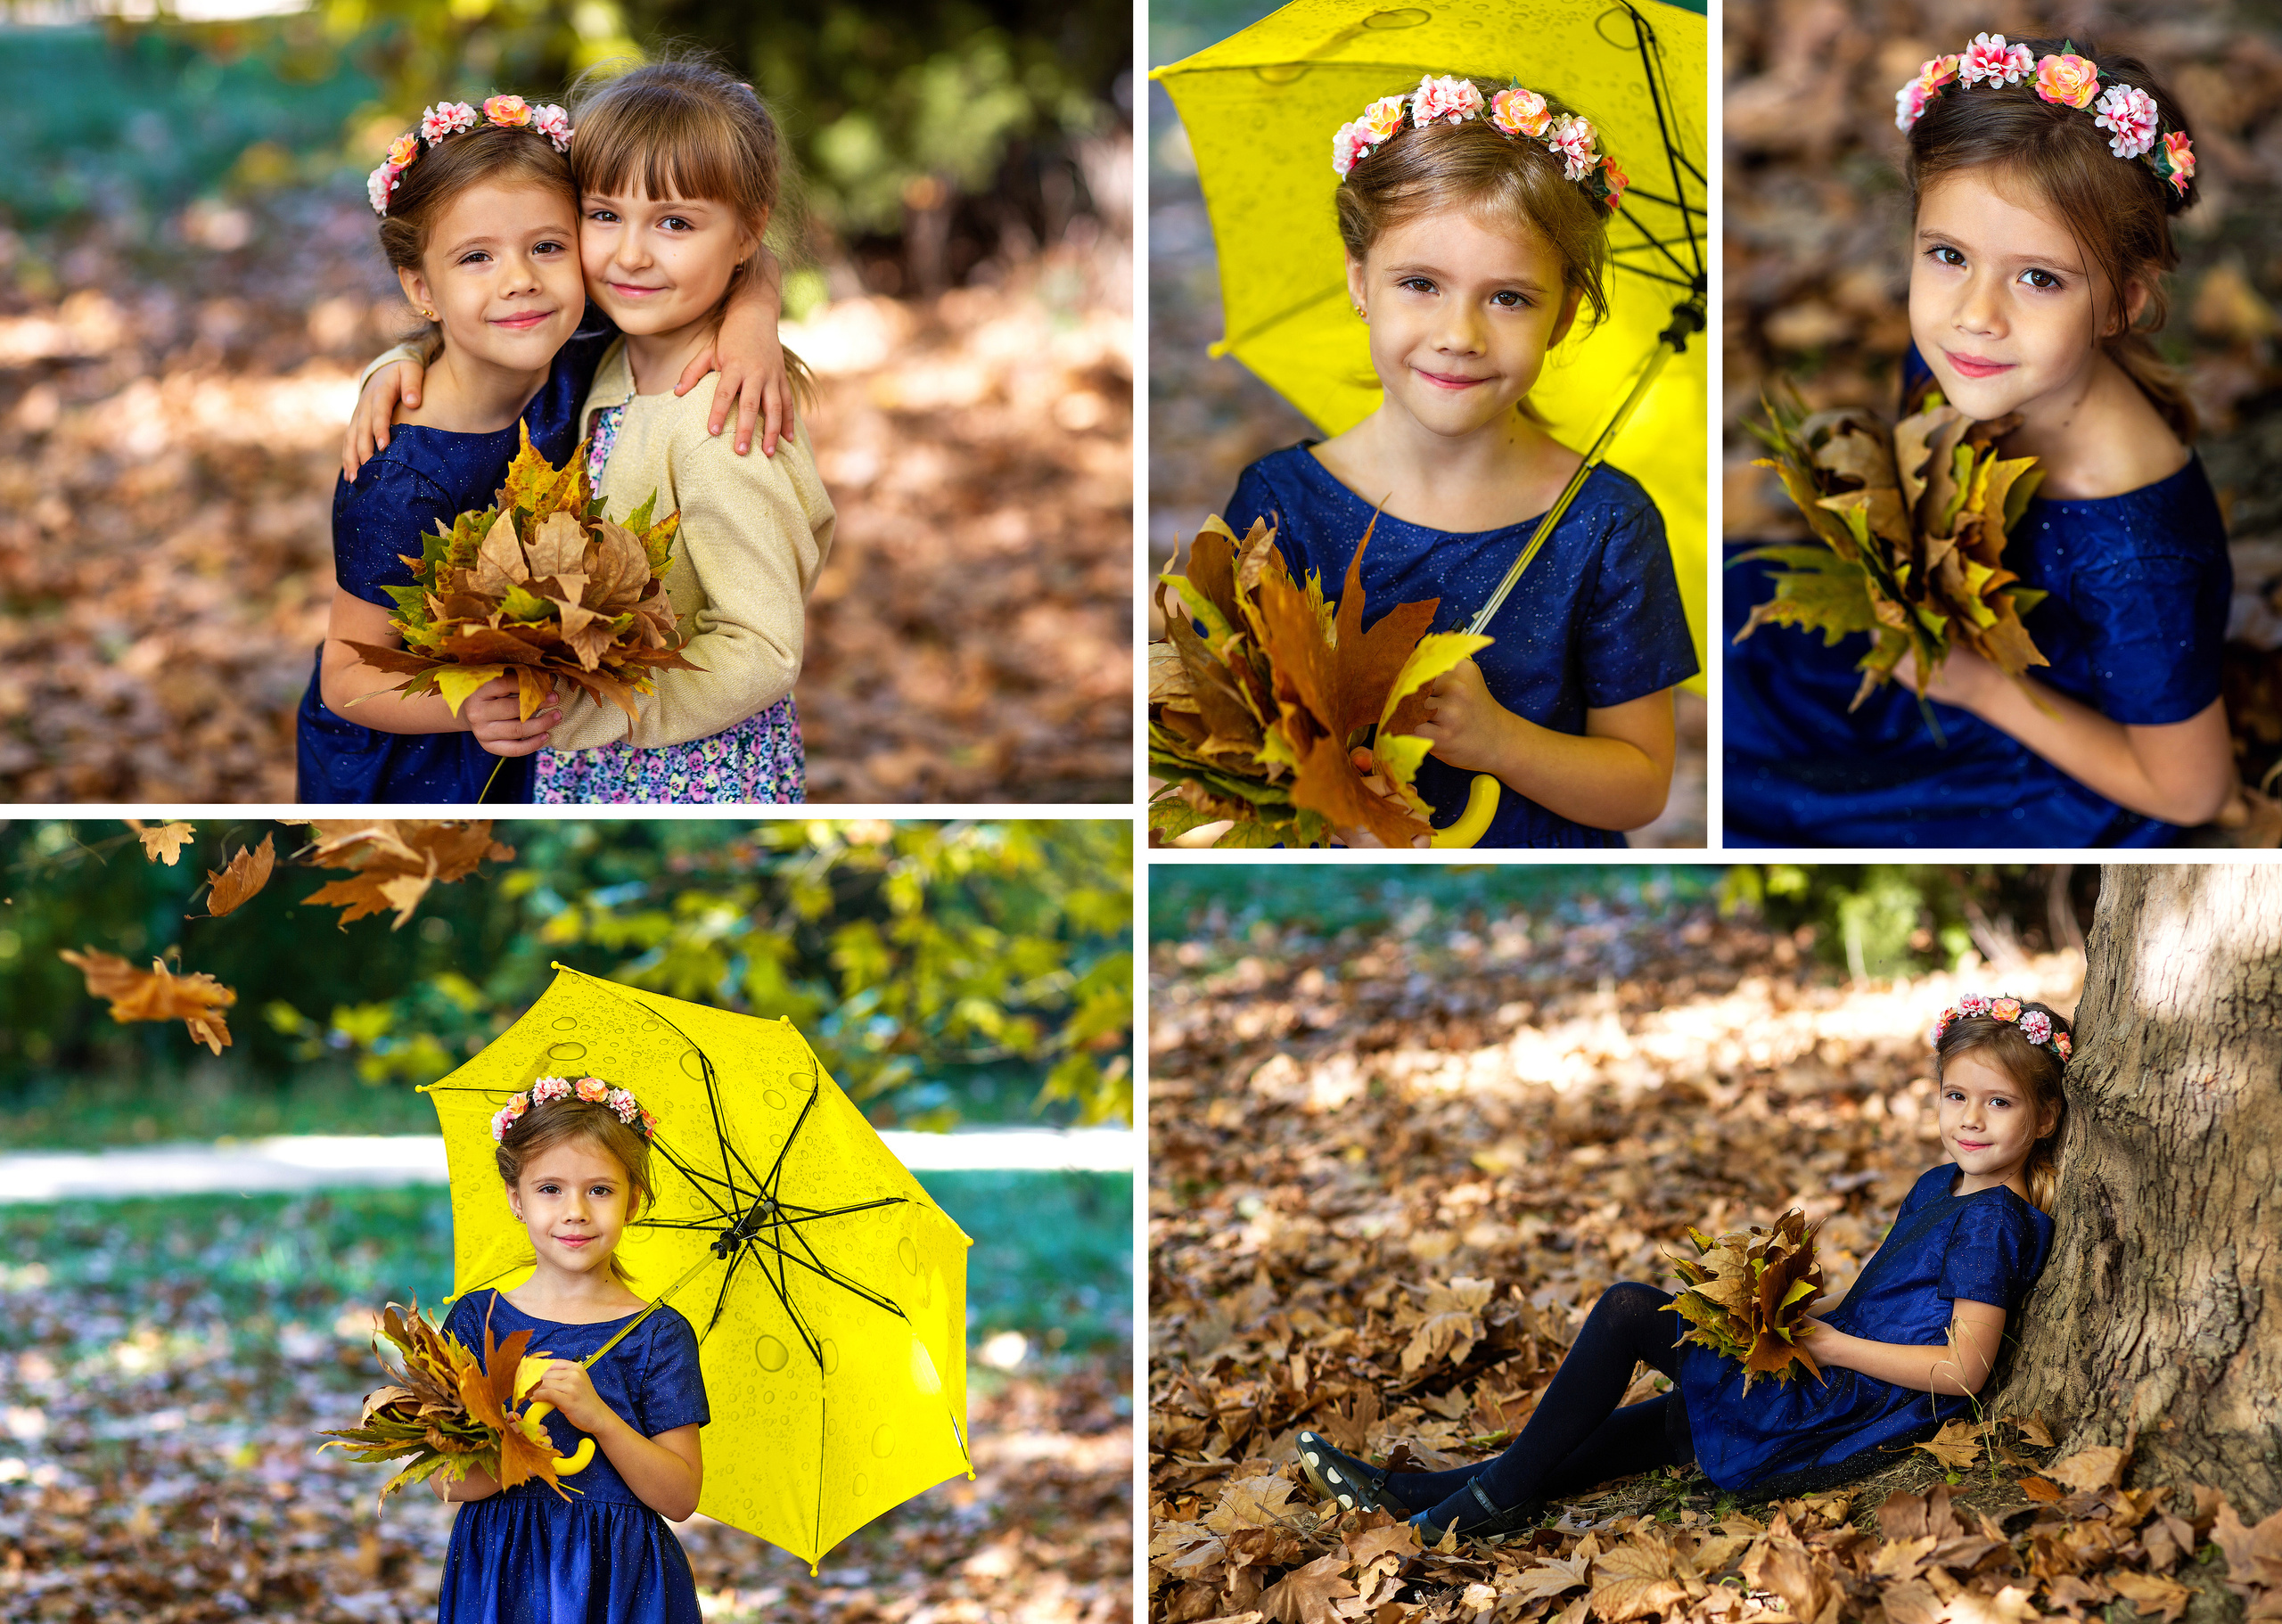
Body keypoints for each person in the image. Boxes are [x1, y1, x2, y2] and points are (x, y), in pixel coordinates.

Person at [1293, 995, 2064, 1539]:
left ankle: (1482, 1501)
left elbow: (1965, 1368)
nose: (1969, 1119)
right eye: (1955, 1094)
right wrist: (1786, 1318)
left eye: (1998, 1104)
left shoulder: (1993, 1221)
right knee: (1675, 1419)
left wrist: (1828, 1348)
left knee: (1632, 1310)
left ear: (2046, 1117)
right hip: (1836, 1364)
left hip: (1855, 1402)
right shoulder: (1941, 1184)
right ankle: (1417, 1492)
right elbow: (1890, 1302)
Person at [1727, 35, 2236, 846]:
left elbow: (2192, 790)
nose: (1976, 313)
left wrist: (1979, 690)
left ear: (2121, 303)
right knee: (1731, 634)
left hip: (2035, 754)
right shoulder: (1971, 362)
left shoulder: (2132, 552)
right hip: (1939, 646)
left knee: (1763, 793)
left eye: (2040, 278)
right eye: (1949, 255)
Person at [1220, 75, 1698, 848]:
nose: (1460, 334)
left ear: (1565, 311)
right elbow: (1223, 743)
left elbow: (1641, 785)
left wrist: (1499, 740)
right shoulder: (1281, 505)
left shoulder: (1605, 524)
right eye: (1420, 284)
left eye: (1508, 298)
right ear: (1359, 283)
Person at [347, 56, 835, 805]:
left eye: (674, 223)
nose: (631, 254)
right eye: (604, 216)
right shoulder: (604, 347)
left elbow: (764, 649)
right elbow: (483, 308)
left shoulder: (721, 423)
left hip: (688, 779)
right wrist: (400, 359)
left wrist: (594, 709)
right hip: (593, 764)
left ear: (747, 233)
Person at [434, 1076, 709, 1623]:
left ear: (634, 1200)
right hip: (502, 1568)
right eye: (550, 1189)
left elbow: (680, 1498)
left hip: (620, 1580)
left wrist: (600, 1419)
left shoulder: (658, 1335)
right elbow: (448, 1481)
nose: (576, 1210)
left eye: (600, 1190)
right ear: (516, 1200)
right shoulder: (479, 1320)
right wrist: (522, 1446)